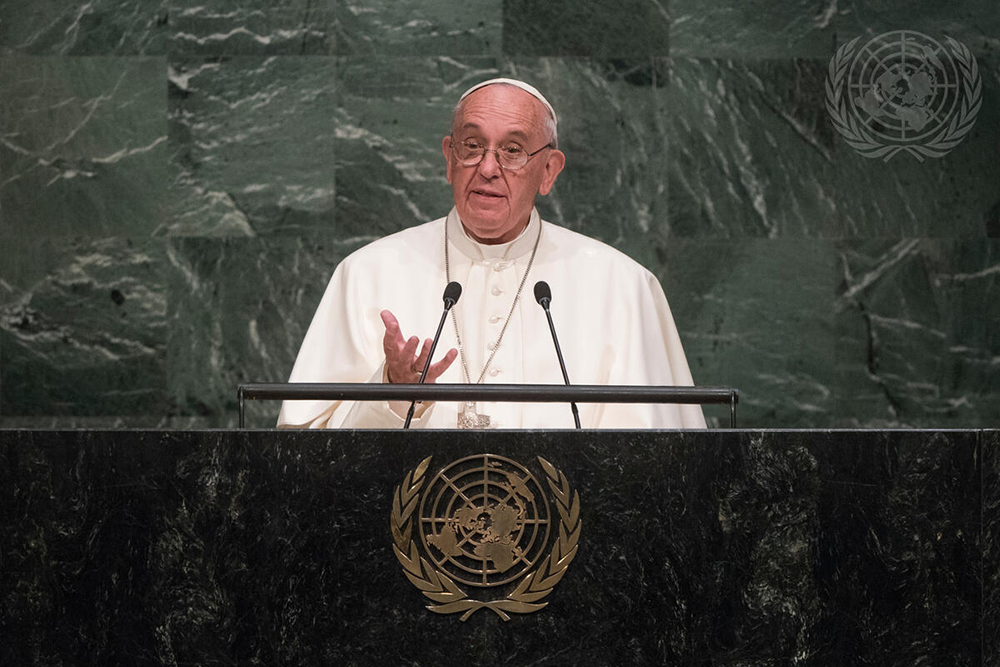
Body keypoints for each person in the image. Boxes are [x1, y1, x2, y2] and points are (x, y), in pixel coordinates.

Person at [277, 78, 706, 429]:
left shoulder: (623, 287)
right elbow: (302, 459)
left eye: (513, 150)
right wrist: (390, 391)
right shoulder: (366, 274)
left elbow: (663, 469)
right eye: (471, 145)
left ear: (549, 171)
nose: (487, 167)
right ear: (449, 158)